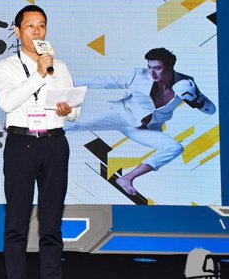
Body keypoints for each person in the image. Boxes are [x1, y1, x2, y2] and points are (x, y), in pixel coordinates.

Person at [0, 5, 80, 279]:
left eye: (41, 25)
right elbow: (7, 102)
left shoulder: (61, 66)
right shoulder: (5, 67)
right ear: (18, 32)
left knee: (51, 223)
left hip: (54, 144)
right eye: (30, 26)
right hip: (21, 144)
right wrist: (40, 74)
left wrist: (68, 111)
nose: (37, 31)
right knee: (16, 222)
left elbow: (74, 111)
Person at [68, 47, 216, 195]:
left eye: (157, 68)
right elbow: (108, 82)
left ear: (170, 67)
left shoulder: (186, 83)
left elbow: (211, 110)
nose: (152, 72)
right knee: (74, 125)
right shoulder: (140, 76)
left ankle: (127, 178)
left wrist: (195, 99)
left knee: (175, 148)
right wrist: (70, 83)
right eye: (149, 67)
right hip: (121, 116)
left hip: (144, 129)